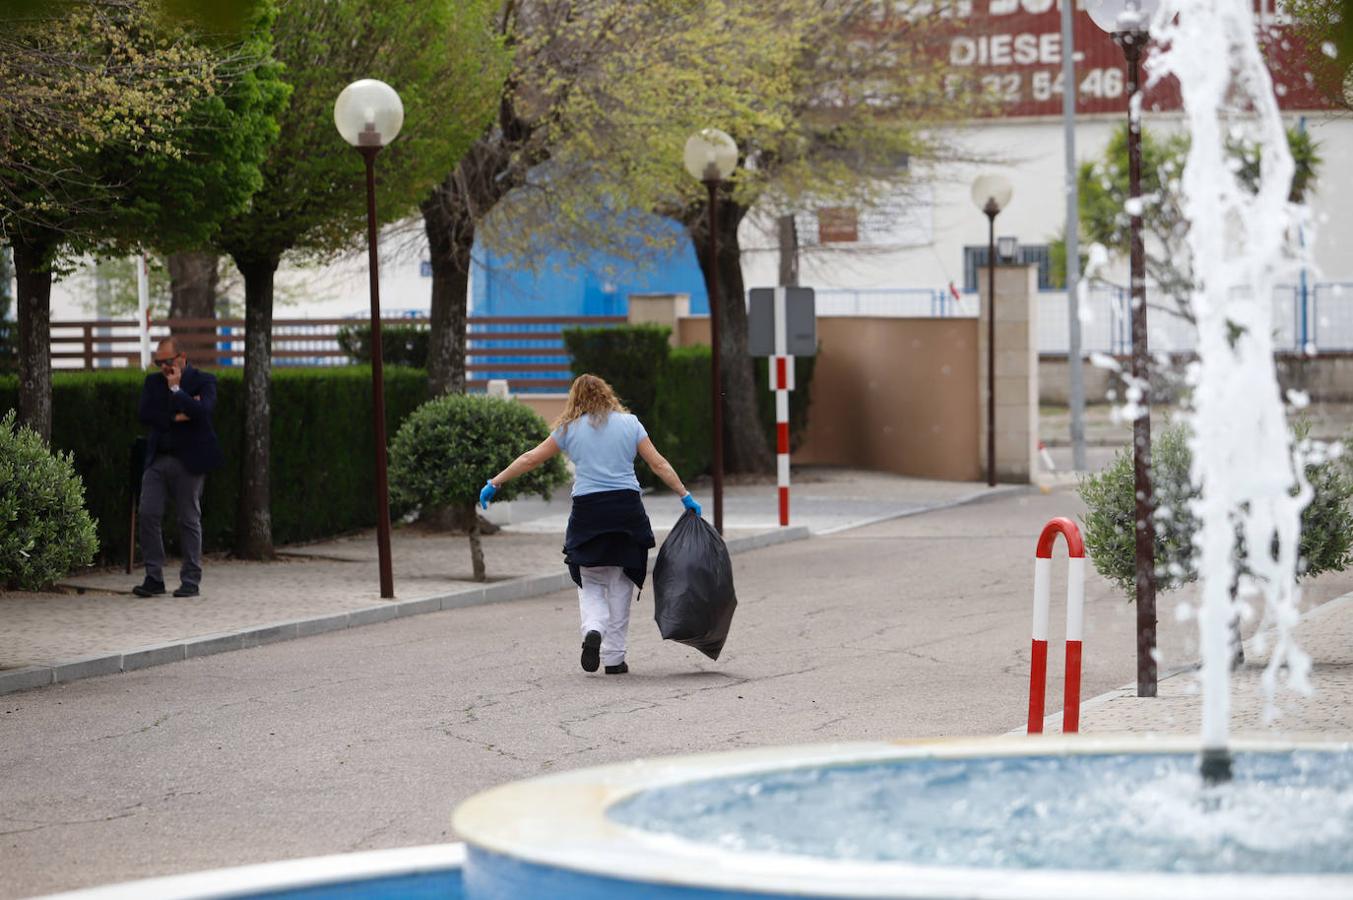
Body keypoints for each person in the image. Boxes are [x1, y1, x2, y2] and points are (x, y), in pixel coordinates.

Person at [479, 374, 701, 675]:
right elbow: (658, 463)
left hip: (588, 512)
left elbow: (531, 458)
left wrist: (496, 481)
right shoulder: (630, 424)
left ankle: (593, 629)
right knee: (621, 581)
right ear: (608, 394)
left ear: (575, 398)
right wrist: (685, 495)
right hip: (626, 509)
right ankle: (614, 659)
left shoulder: (568, 429)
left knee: (591, 579)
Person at [132, 337, 224, 598]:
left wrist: (176, 391)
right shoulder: (152, 382)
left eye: (167, 361)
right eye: (158, 361)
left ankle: (191, 579)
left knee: (188, 518)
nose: (162, 366)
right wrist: (179, 414)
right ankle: (154, 577)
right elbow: (145, 414)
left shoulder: (204, 380)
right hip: (158, 458)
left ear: (181, 357)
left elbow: (203, 411)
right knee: (148, 513)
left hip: (189, 460)